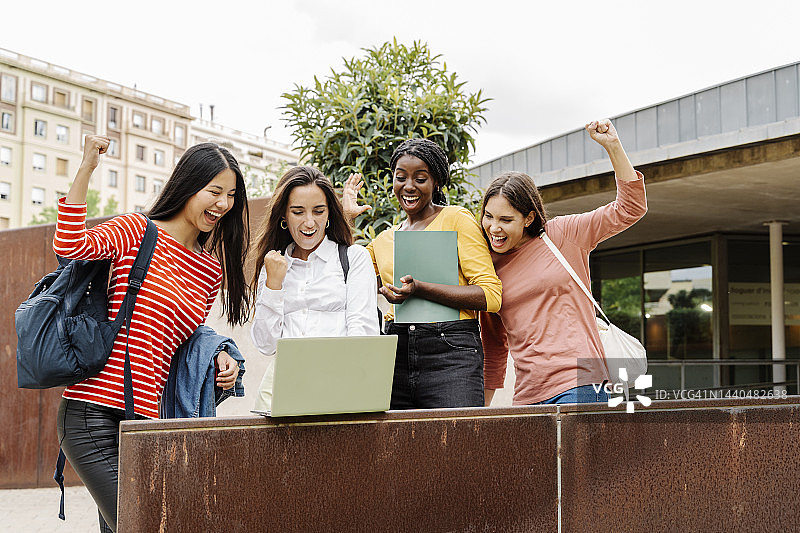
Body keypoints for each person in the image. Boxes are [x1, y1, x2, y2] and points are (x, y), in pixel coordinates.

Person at [55, 136, 251, 532]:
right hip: (92, 415)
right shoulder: (136, 231)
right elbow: (70, 245)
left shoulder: (208, 269)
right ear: (187, 186)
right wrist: (86, 169)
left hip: (146, 422)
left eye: (231, 195)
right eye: (214, 191)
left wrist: (219, 353)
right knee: (145, 526)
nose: (223, 204)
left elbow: (184, 334)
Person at [480, 119, 647, 406]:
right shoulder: (488, 266)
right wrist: (481, 414)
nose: (494, 227)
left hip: (582, 382)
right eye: (489, 216)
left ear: (529, 218)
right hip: (528, 394)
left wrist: (613, 146)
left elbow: (630, 208)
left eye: (506, 220)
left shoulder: (561, 235)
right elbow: (495, 346)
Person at [343, 138, 502, 409]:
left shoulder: (456, 219)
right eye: (400, 177)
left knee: (457, 445)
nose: (408, 186)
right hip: (396, 351)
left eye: (420, 178)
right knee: (396, 447)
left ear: (436, 181)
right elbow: (346, 277)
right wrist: (348, 218)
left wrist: (421, 289)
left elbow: (491, 295)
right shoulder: (384, 240)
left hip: (451, 354)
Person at [250, 166, 379, 408]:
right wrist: (274, 285)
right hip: (280, 393)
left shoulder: (354, 258)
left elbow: (363, 335)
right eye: (298, 212)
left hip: (340, 389)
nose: (309, 222)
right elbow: (265, 345)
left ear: (329, 213)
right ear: (283, 217)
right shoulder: (272, 264)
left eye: (318, 211)